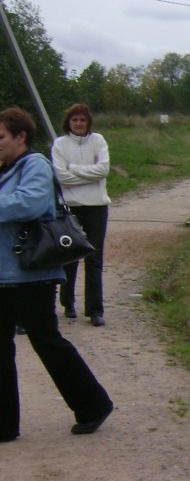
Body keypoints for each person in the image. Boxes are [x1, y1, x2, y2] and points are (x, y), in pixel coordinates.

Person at [0, 107, 113, 442]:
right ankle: (4, 424)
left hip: (32, 274)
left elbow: (30, 204)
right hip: (3, 275)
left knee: (47, 342)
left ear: (20, 137)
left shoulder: (34, 165)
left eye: (1, 137)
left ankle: (93, 404)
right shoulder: (4, 169)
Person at [51, 102, 110, 327]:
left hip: (97, 206)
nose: (78, 124)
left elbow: (103, 169)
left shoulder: (99, 141)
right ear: (69, 122)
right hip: (70, 207)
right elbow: (61, 176)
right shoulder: (60, 144)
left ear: (88, 122)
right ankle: (67, 302)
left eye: (82, 120)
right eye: (74, 120)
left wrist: (73, 169)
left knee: (94, 258)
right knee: (70, 255)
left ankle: (95, 310)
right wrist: (88, 174)